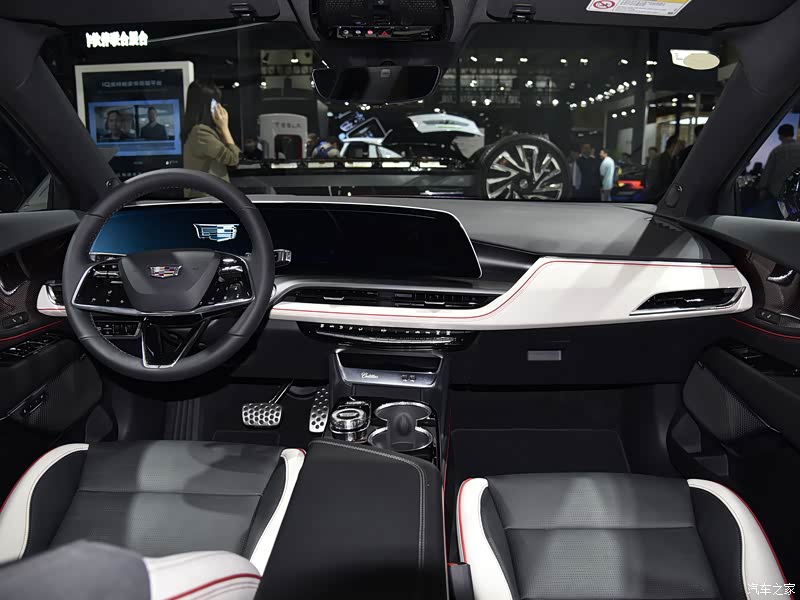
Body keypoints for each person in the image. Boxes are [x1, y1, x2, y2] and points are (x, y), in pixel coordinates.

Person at [181, 81, 240, 197]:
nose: (219, 107)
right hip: (208, 197)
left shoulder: (197, 130)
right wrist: (224, 127)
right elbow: (233, 158)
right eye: (216, 103)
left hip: (207, 195)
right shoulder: (201, 133)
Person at [759, 123, 800, 203]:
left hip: (778, 192)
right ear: (792, 133)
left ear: (780, 136)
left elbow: (767, 172)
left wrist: (762, 188)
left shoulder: (776, 151)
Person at [644, 134, 681, 203]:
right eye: (679, 145)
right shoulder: (658, 159)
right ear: (673, 145)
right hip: (657, 197)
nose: (681, 148)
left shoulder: (674, 159)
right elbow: (653, 181)